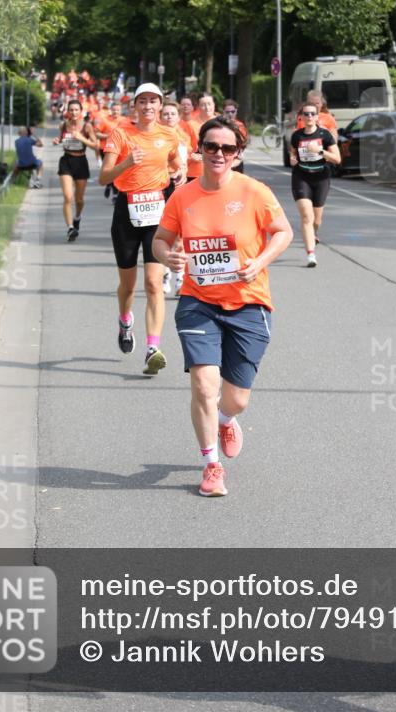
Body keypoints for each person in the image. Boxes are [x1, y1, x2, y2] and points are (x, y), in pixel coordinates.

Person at [153, 116, 293, 497]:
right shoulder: (182, 196)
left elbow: (284, 232)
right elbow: (160, 240)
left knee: (237, 398)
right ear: (200, 149)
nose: (218, 153)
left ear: (238, 154)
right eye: (211, 146)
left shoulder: (255, 191)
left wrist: (260, 262)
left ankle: (227, 419)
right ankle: (211, 465)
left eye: (226, 148)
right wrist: (169, 258)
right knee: (203, 384)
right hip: (199, 301)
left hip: (249, 303)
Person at [99, 83, 184, 375]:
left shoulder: (169, 135)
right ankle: (125, 320)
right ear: (134, 106)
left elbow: (175, 160)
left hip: (156, 214)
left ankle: (152, 348)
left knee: (152, 282)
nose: (148, 106)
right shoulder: (121, 133)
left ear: (160, 106)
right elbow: (103, 176)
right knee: (128, 285)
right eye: (142, 101)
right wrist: (126, 163)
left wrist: (180, 170)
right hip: (127, 212)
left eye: (153, 101)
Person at [289, 104, 340, 267]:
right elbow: (293, 153)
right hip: (301, 176)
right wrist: (292, 159)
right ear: (301, 118)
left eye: (312, 114)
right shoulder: (296, 136)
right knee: (306, 216)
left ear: (317, 117)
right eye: (306, 114)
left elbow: (337, 159)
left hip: (321, 177)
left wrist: (319, 151)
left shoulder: (325, 136)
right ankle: (311, 254)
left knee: (316, 220)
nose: (309, 116)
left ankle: (314, 232)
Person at [53, 98, 98, 241]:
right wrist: (57, 140)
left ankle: (77, 217)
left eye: (76, 110)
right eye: (71, 110)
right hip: (66, 161)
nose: (73, 112)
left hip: (81, 162)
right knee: (68, 196)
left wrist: (81, 138)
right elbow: (61, 138)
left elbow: (95, 145)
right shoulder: (63, 125)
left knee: (79, 200)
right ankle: (70, 228)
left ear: (80, 112)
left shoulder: (87, 126)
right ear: (67, 111)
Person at [160, 99, 191, 295]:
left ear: (178, 117)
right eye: (166, 114)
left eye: (173, 114)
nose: (169, 117)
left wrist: (185, 175)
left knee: (181, 235)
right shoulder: (156, 137)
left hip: (180, 188)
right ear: (160, 117)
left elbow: (186, 163)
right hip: (160, 187)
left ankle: (179, 278)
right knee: (163, 234)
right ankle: (164, 274)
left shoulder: (185, 137)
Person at [222, 99, 248, 173]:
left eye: (233, 112)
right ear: (223, 112)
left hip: (236, 160)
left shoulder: (240, 125)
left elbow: (244, 142)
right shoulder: (219, 125)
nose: (230, 114)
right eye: (227, 112)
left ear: (236, 112)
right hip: (222, 159)